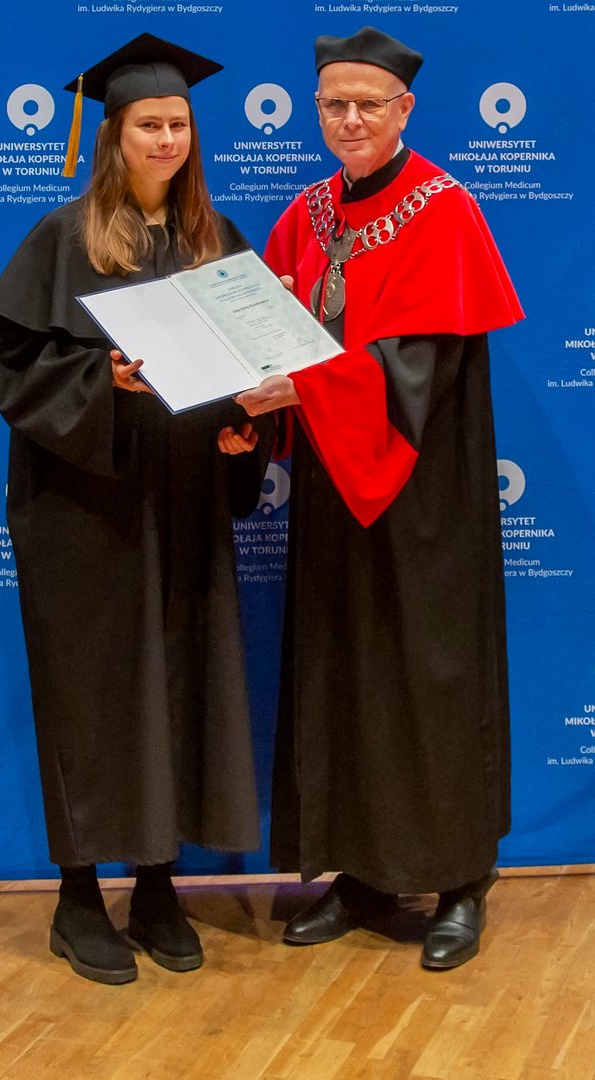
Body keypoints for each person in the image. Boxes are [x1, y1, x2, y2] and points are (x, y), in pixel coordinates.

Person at [0, 34, 271, 985]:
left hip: (184, 499)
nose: (166, 140)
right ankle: (76, 898)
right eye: (149, 124)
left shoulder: (215, 241)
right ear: (112, 134)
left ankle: (156, 887)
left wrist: (248, 429)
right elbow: (18, 376)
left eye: (178, 124)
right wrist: (100, 378)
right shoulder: (64, 238)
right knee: (90, 690)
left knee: (180, 681)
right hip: (84, 508)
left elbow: (246, 369)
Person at [236, 26, 524, 970]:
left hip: (424, 492)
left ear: (405, 109)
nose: (350, 119)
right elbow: (273, 340)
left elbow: (419, 365)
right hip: (334, 485)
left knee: (430, 676)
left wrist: (305, 386)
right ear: (316, 110)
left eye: (368, 104)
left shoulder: (445, 209)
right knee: (343, 671)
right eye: (334, 104)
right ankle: (360, 875)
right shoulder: (306, 213)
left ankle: (460, 882)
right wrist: (245, 399)